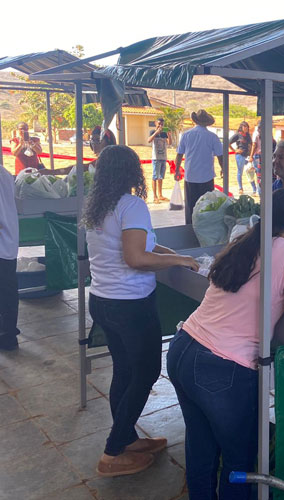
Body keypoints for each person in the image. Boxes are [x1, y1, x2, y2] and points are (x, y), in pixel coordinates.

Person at [168, 187, 284, 500]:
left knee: (201, 447)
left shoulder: (247, 241)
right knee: (239, 463)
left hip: (184, 348)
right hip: (221, 368)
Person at [82, 145, 198, 477]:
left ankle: (128, 436)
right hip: (129, 305)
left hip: (103, 301)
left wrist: (170, 251)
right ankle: (113, 451)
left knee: (124, 371)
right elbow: (135, 258)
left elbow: (139, 245)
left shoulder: (100, 206)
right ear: (132, 171)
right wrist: (177, 261)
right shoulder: (131, 204)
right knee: (145, 372)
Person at [175, 110, 224, 225]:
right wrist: (223, 169)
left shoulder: (186, 135)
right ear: (207, 123)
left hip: (190, 176)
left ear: (195, 121)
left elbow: (179, 154)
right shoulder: (212, 137)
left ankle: (190, 228)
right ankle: (204, 227)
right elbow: (220, 156)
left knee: (190, 206)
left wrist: (177, 170)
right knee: (206, 206)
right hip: (206, 177)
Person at [0, 166, 20, 351]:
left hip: (2, 241)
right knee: (8, 291)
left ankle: (7, 335)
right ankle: (8, 334)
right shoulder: (4, 174)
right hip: (8, 241)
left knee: (5, 293)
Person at [148, 118, 171, 203]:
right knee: (155, 177)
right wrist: (156, 133)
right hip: (156, 158)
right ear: (155, 123)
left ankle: (160, 195)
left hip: (163, 157)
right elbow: (149, 140)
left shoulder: (164, 134)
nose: (160, 126)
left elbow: (170, 143)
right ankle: (155, 196)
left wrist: (169, 135)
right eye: (159, 124)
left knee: (161, 177)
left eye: (162, 124)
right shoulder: (152, 132)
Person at [229, 121, 255, 195]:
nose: (246, 128)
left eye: (247, 126)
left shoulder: (248, 135)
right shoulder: (237, 135)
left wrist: (251, 156)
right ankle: (240, 188)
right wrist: (235, 150)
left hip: (247, 156)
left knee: (250, 171)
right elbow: (228, 143)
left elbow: (251, 145)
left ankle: (254, 188)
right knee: (240, 172)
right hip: (240, 156)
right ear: (241, 127)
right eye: (244, 126)